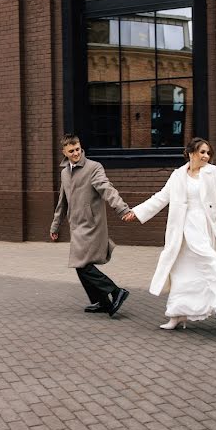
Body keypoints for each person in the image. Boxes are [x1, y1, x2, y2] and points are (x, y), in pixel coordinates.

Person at [123, 137, 216, 333]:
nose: (206, 156)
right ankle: (177, 315)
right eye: (202, 152)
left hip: (205, 231)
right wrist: (136, 212)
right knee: (182, 274)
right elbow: (161, 197)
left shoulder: (213, 173)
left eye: (208, 153)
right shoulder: (177, 176)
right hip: (183, 234)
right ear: (191, 153)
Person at [51, 134, 132, 317]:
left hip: (92, 224)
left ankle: (115, 291)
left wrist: (122, 209)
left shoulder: (93, 168)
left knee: (82, 265)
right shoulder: (64, 172)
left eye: (78, 149)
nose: (76, 153)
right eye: (71, 151)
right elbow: (62, 202)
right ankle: (103, 302)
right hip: (76, 225)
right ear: (64, 152)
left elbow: (107, 188)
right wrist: (55, 227)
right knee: (81, 265)